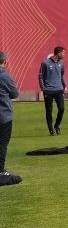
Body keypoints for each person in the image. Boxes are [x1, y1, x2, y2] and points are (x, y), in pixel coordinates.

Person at [0, 51, 21, 185]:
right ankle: (1, 171)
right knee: (2, 144)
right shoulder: (4, 76)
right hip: (3, 115)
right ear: (5, 62)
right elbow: (14, 93)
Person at [39, 46, 67, 135]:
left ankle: (57, 126)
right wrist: (43, 89)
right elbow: (40, 77)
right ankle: (51, 130)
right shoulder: (45, 63)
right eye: (63, 53)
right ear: (58, 53)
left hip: (59, 90)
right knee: (49, 110)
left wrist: (64, 86)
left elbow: (61, 75)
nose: (64, 55)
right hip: (48, 91)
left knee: (62, 108)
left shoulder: (61, 63)